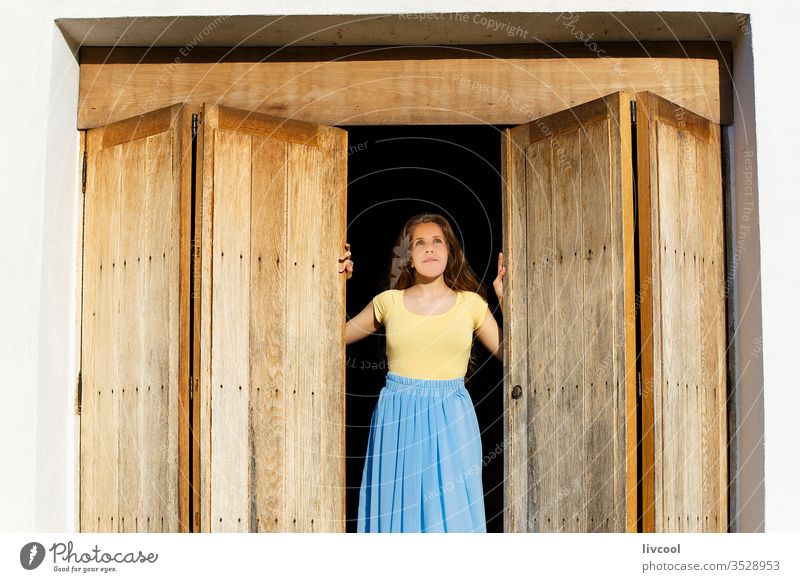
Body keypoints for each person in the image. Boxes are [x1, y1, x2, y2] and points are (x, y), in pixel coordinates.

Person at [337, 212, 505, 533]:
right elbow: (331, 339)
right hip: (396, 417)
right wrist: (334, 281)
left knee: (452, 519)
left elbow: (514, 357)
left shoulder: (472, 304)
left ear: (450, 252)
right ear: (409, 257)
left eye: (437, 241)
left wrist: (505, 297)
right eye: (420, 243)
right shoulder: (389, 302)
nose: (430, 248)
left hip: (452, 418)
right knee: (396, 514)